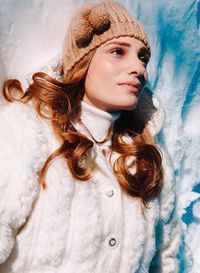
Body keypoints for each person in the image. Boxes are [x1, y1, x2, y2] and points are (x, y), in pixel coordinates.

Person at [0, 0, 181, 272]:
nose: (139, 68)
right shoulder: (28, 130)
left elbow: (165, 260)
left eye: (142, 57)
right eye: (118, 51)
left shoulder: (151, 159)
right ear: (83, 61)